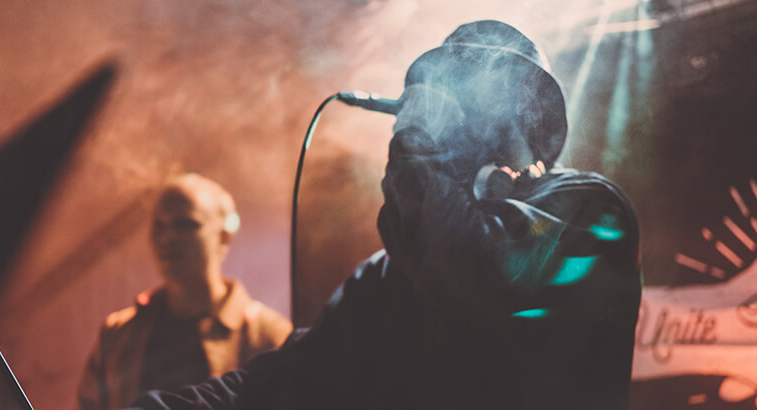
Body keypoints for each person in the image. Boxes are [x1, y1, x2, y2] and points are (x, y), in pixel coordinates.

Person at [131, 20, 642, 410]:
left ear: (527, 110)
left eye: (469, 87)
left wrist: (417, 147)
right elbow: (275, 388)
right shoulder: (387, 275)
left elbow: (471, 269)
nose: (448, 108)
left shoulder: (590, 210)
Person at [77, 173, 293, 410]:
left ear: (223, 237)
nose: (167, 237)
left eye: (186, 224)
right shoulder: (118, 334)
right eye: (159, 225)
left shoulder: (268, 335)